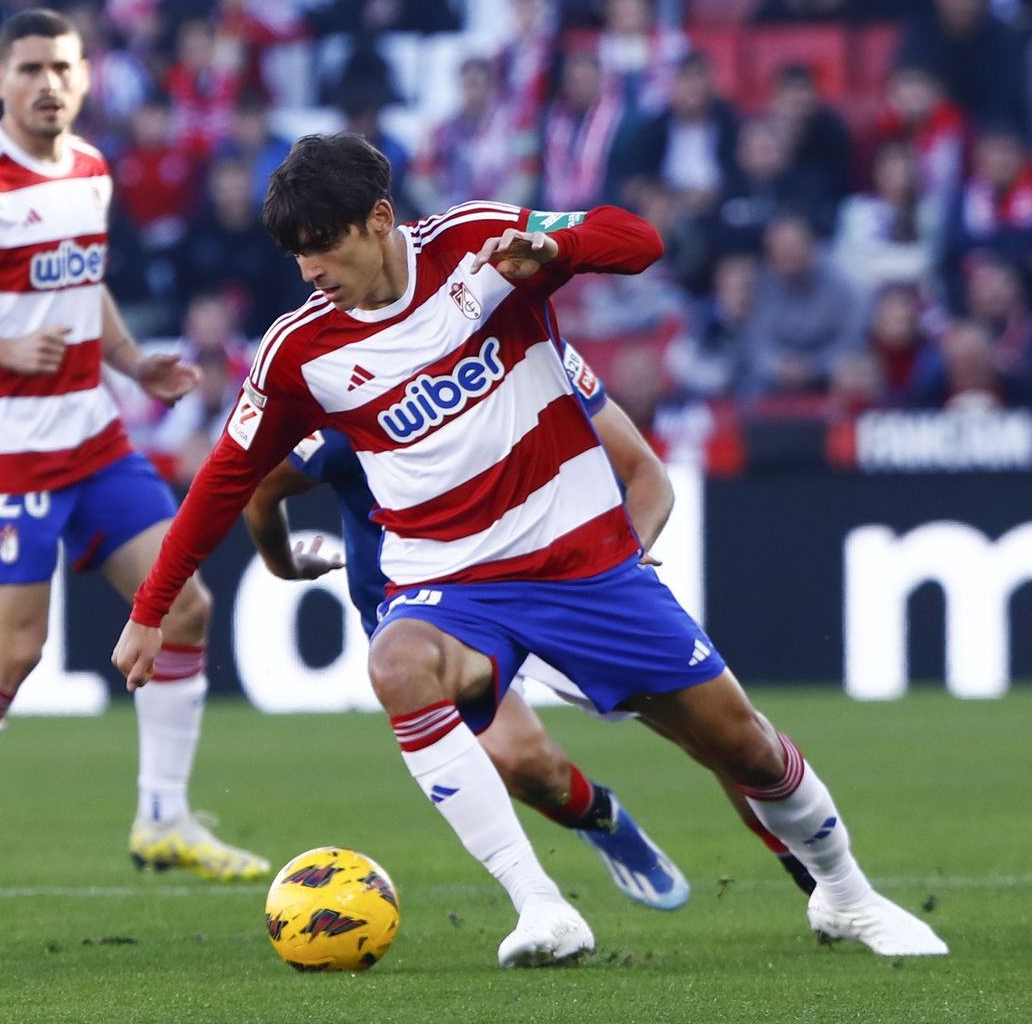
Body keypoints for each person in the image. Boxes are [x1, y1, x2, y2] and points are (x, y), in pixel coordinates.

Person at [113, 134, 947, 966]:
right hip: (448, 581)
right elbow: (228, 477)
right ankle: (541, 904)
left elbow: (639, 241)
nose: (310, 270)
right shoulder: (299, 352)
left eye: (321, 246)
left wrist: (559, 247)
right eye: (295, 254)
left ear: (377, 219)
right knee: (399, 665)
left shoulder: (478, 244)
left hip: (580, 565)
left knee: (744, 747)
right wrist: (152, 609)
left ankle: (846, 894)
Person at [0, 8, 268, 892]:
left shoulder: (90, 168)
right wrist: (2, 351)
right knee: (15, 651)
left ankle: (164, 816)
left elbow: (82, 285)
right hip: (2, 447)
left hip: (92, 431)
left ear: (85, 75)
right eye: (29, 69)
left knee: (185, 604)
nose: (47, 84)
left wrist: (131, 361)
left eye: (61, 67)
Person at [244, 355, 818, 901]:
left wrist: (624, 561)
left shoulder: (525, 352)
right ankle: (604, 821)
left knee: (722, 740)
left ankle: (810, 872)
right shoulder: (359, 402)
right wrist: (285, 564)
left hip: (560, 587)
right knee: (524, 764)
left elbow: (645, 471)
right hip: (442, 614)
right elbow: (261, 492)